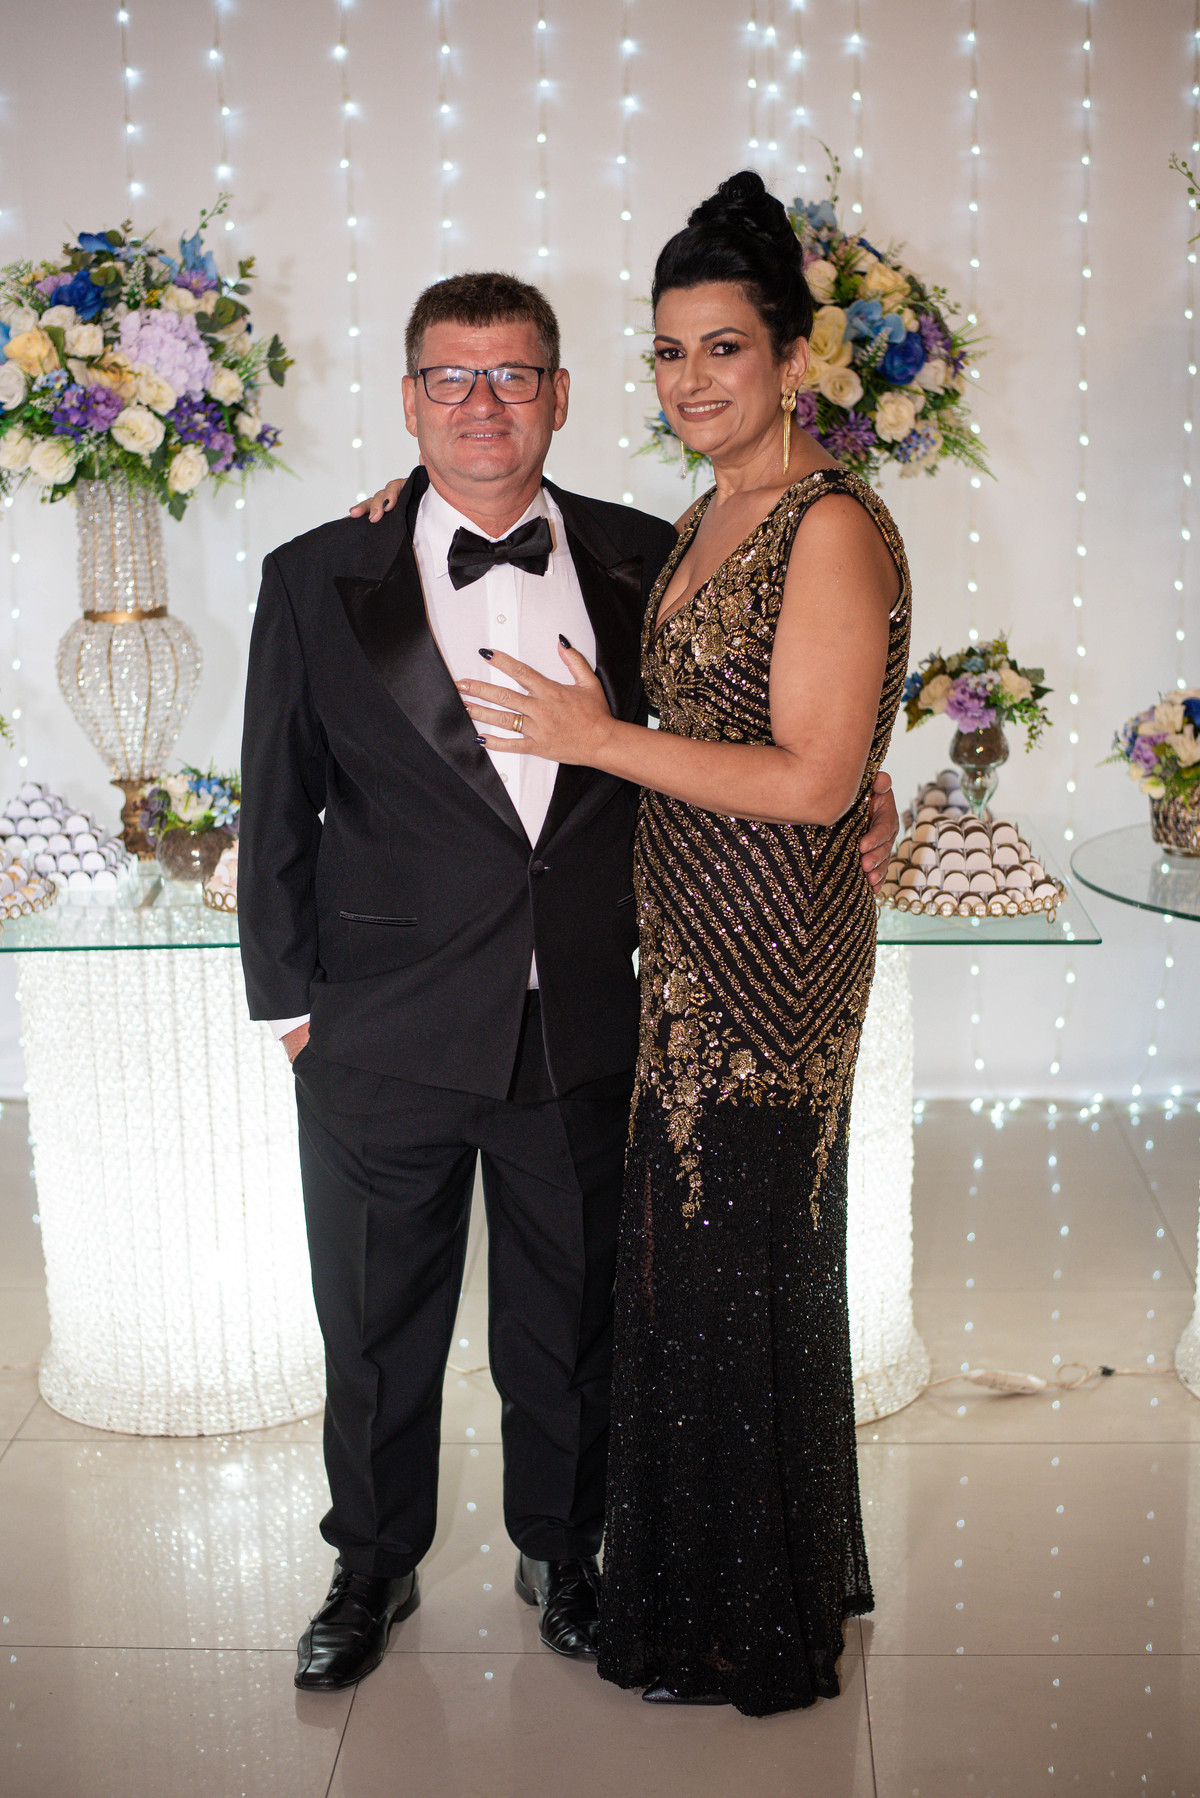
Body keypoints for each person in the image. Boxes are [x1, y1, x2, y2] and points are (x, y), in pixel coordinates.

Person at [240, 268, 897, 1695]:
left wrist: (868, 776)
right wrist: (290, 1008)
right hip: (382, 1024)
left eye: (514, 375)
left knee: (574, 1315)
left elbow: (754, 708)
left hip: (590, 1012)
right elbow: (275, 799)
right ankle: (370, 1563)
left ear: (559, 396)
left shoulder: (646, 554)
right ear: (410, 399)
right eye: (452, 377)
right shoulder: (312, 572)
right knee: (375, 1321)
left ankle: (564, 1550)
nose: (482, 403)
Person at [451, 173, 911, 1717]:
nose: (692, 380)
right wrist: (412, 499)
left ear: (791, 357)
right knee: (704, 1270)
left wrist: (600, 738)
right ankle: (751, 1572)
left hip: (774, 964)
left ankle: (744, 1622)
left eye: (723, 348)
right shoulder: (712, 514)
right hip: (691, 951)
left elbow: (815, 779)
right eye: (668, 350)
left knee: (731, 1268)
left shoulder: (827, 522)